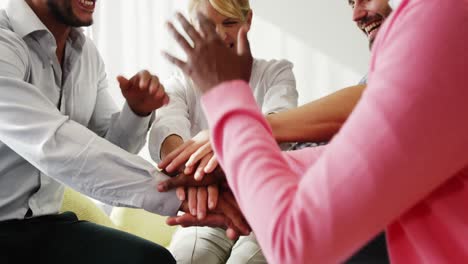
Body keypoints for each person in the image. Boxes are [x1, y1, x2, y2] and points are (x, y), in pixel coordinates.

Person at [163, 0, 468, 262]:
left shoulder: (438, 24)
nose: (356, 15)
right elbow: (357, 151)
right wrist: (234, 173)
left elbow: (297, 246)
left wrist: (227, 100)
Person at [0, 0, 247, 263]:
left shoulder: (86, 55)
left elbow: (108, 149)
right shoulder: (5, 44)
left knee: (152, 260)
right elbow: (54, 145)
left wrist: (137, 112)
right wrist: (177, 191)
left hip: (44, 226)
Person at [149, 0, 298, 263]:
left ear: (248, 20)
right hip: (208, 204)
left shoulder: (276, 73)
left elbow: (281, 126)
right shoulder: (180, 83)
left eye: (229, 22)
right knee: (188, 258)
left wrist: (215, 148)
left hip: (265, 206)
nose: (219, 35)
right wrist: (200, 172)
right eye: (207, 25)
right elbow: (167, 131)